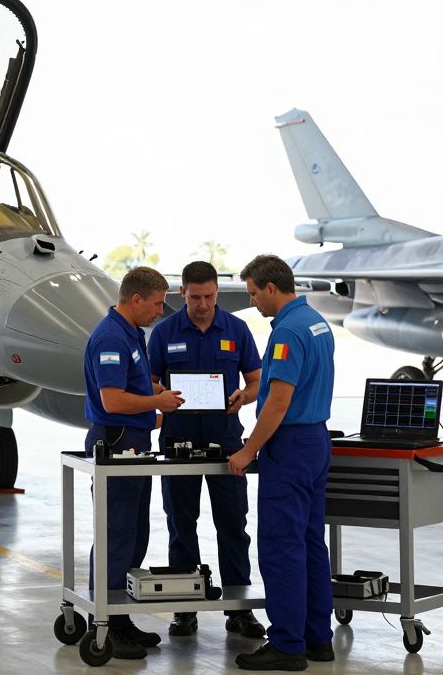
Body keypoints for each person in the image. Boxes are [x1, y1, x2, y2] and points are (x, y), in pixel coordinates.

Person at [228, 255, 336, 671]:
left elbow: (279, 400)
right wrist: (249, 395)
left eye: (254, 293)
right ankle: (317, 639)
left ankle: (287, 645)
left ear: (271, 288)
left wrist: (248, 450)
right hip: (315, 441)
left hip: (288, 447)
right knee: (310, 543)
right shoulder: (315, 322)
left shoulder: (287, 331)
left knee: (280, 547)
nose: (253, 301)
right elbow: (293, 384)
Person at [146, 261, 265, 639]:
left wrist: (243, 397)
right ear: (181, 294)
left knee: (233, 525)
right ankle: (185, 608)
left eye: (210, 296)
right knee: (182, 526)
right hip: (177, 442)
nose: (203, 304)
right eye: (195, 297)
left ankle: (239, 609)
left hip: (226, 442)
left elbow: (257, 379)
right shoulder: (163, 332)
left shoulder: (237, 330)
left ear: (217, 292)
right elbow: (149, 379)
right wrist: (160, 396)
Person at [83, 266, 185, 659]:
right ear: (136, 299)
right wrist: (155, 403)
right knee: (116, 533)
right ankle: (104, 624)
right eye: (157, 303)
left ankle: (119, 617)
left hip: (135, 441)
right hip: (117, 441)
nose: (161, 311)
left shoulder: (131, 335)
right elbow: (113, 401)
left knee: (135, 533)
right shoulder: (111, 336)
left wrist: (152, 394)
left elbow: (130, 389)